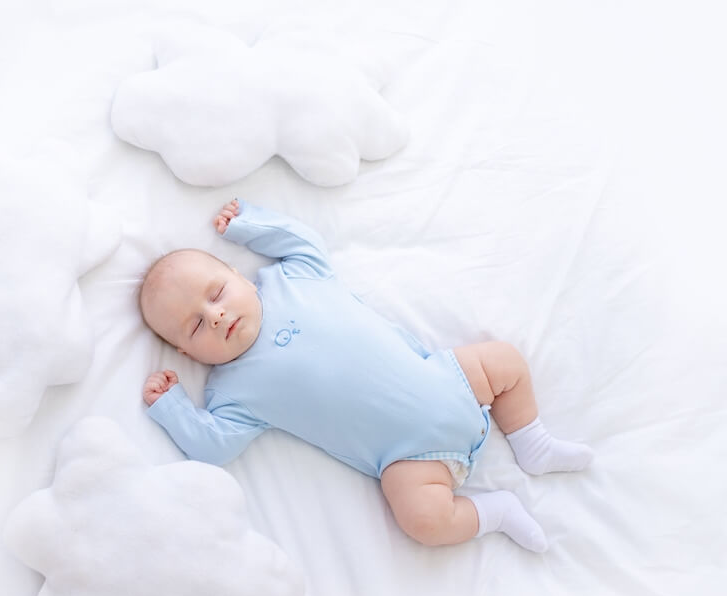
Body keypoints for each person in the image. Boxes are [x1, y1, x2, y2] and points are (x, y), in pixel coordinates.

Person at [140, 198, 593, 552]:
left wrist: (247, 223)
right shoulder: (232, 393)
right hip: (409, 461)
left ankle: (531, 441)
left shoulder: (294, 278)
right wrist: (172, 407)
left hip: (453, 381)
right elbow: (212, 446)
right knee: (423, 521)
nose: (216, 316)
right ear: (186, 352)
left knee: (504, 360)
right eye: (197, 325)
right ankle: (496, 512)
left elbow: (301, 240)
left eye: (216, 293)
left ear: (238, 274)